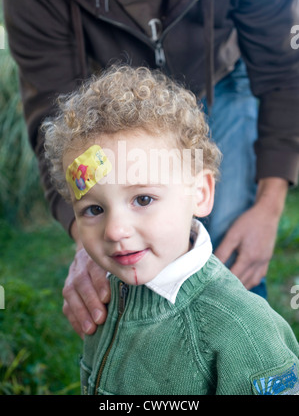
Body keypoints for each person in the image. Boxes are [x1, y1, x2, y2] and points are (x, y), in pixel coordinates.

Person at [3, 0, 299, 337]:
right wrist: (84, 238)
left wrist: (268, 207)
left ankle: (242, 339)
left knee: (227, 240)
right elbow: (56, 123)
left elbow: (285, 76)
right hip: (117, 113)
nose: (114, 232)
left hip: (226, 76)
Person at [42, 65, 299, 395]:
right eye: (94, 209)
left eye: (143, 199)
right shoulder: (106, 296)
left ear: (200, 193)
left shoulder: (243, 331)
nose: (116, 230)